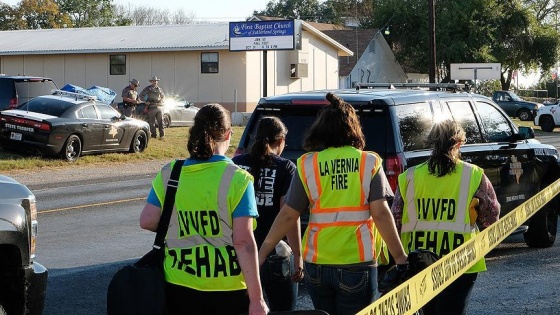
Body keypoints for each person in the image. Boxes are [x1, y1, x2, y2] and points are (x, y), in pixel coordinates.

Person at [257, 92, 408, 315]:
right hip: (357, 263)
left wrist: (261, 254)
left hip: (317, 264)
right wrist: (400, 258)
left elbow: (289, 214)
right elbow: (381, 214)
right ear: (353, 128)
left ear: (321, 129)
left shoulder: (308, 164)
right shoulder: (368, 161)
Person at [139, 103, 268, 315]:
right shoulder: (238, 179)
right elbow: (243, 242)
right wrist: (257, 299)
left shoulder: (171, 172)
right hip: (227, 288)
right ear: (228, 134)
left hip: (179, 284)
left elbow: (148, 220)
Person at [391, 120, 500, 315]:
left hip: (419, 262)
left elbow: (396, 219)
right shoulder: (473, 174)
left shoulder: (409, 176)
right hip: (461, 262)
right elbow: (491, 217)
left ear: (432, 142)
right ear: (459, 143)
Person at [232, 116, 303, 312]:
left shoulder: (236, 164)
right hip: (275, 255)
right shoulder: (286, 168)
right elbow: (288, 215)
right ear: (280, 141)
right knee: (283, 310)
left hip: (238, 253)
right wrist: (298, 255)